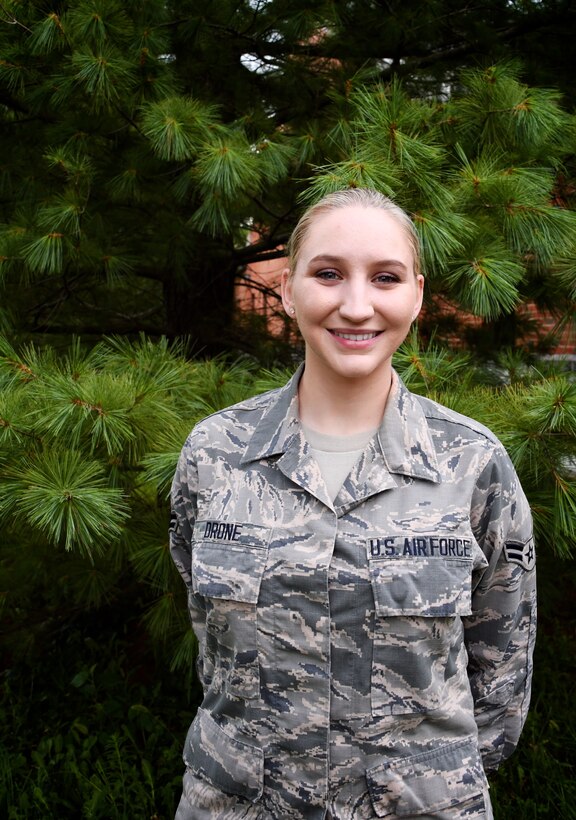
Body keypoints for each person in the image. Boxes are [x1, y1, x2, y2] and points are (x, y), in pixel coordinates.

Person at [169, 188, 536, 819]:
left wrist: (424, 782)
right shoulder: (216, 453)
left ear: (417, 296)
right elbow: (211, 640)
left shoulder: (472, 464)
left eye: (385, 278)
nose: (357, 305)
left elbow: (502, 671)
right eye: (329, 273)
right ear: (287, 288)